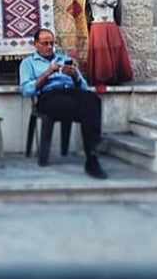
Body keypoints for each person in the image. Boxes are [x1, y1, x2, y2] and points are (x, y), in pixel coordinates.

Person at [19, 28, 108, 178]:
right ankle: (93, 148)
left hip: (71, 92)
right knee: (82, 109)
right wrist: (48, 73)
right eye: (45, 43)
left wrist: (75, 76)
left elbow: (84, 87)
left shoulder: (63, 59)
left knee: (92, 99)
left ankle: (92, 154)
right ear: (36, 45)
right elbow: (27, 90)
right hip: (48, 96)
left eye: (52, 43)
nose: (49, 47)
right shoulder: (28, 63)